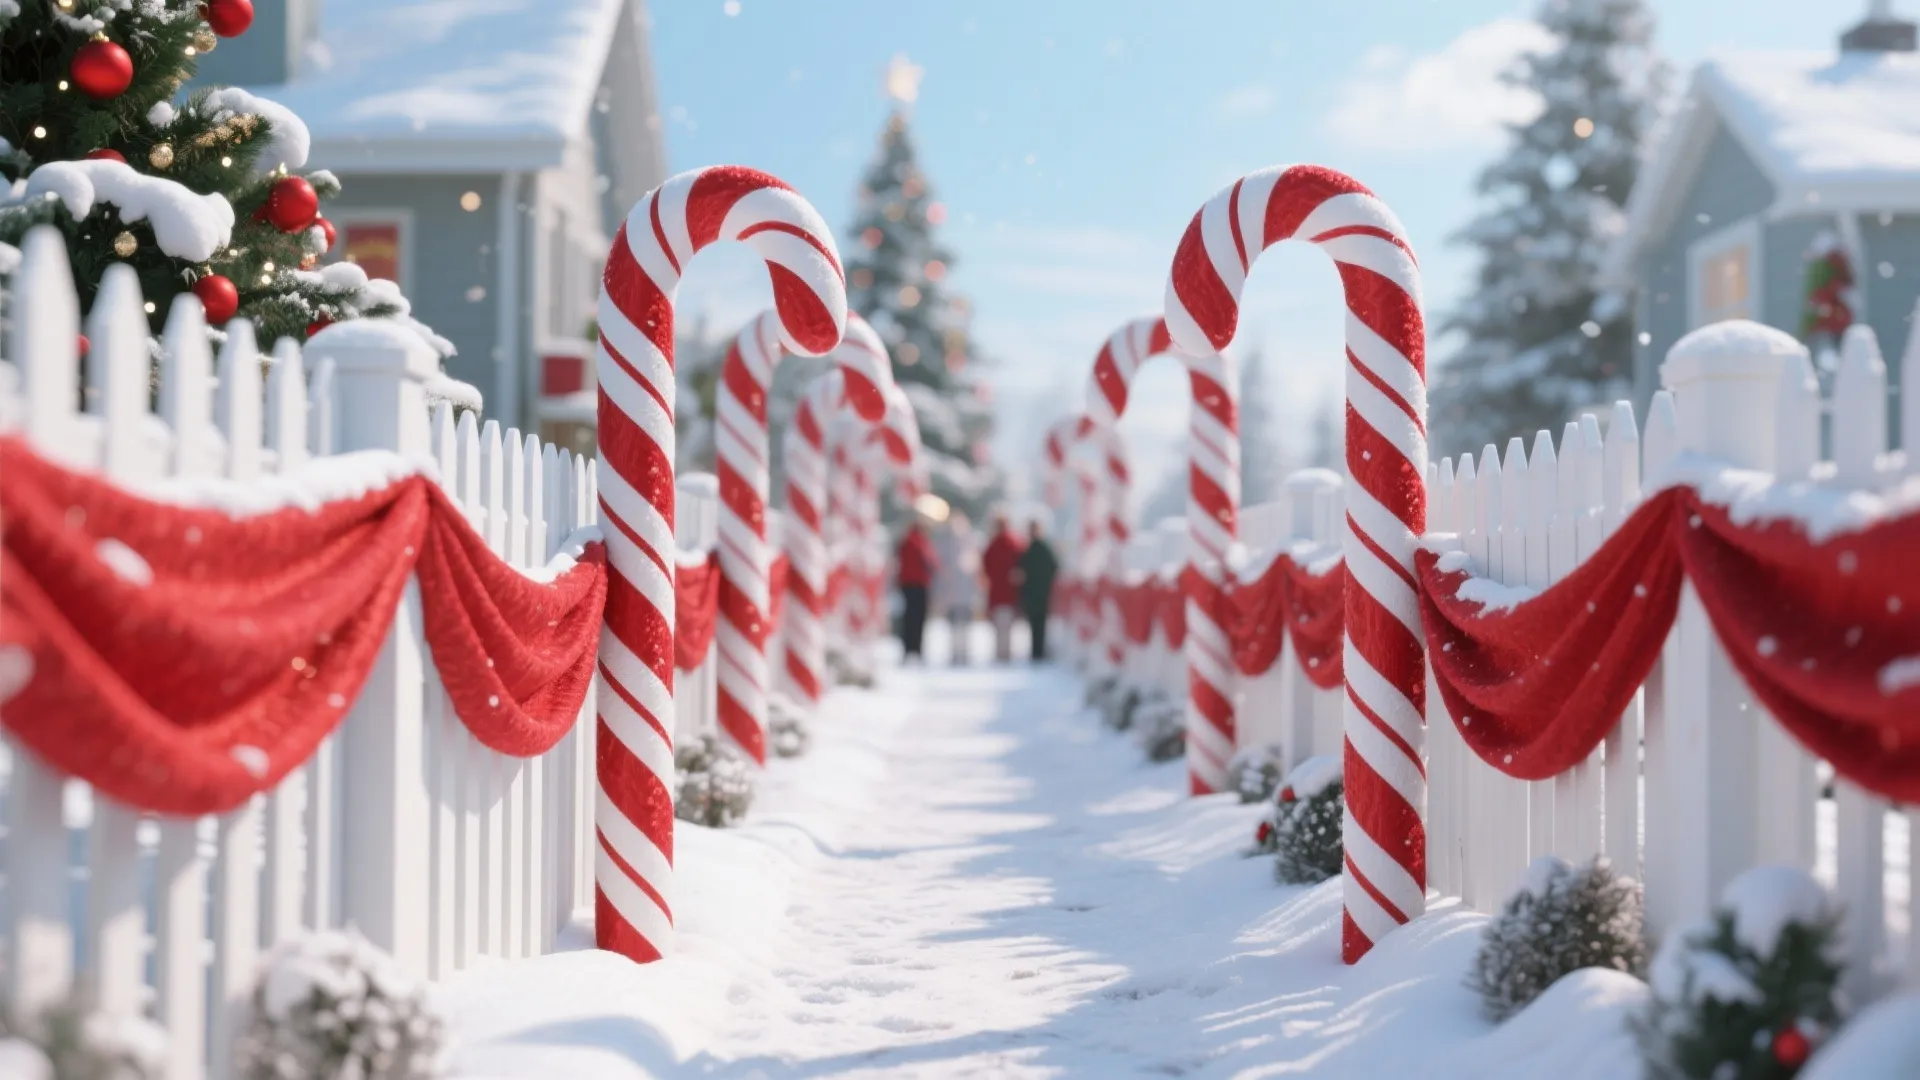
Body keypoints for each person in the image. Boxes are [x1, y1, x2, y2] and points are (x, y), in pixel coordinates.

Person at [932, 512, 981, 665]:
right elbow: (940, 570)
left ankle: (962, 652)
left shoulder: (969, 543)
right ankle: (957, 652)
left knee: (963, 626)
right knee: (955, 626)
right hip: (954, 594)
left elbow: (974, 569)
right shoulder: (945, 544)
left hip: (963, 595)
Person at [980, 514, 1026, 663]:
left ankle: (1003, 654)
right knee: (1005, 627)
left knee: (1002, 627)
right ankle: (1004, 654)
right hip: (1007, 592)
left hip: (1001, 592)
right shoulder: (1013, 541)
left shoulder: (998, 543)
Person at [1016, 520, 1059, 662]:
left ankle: (1038, 651)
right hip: (1039, 593)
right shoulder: (1038, 549)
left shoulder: (1034, 549)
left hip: (1037, 593)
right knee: (1037, 625)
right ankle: (1037, 651)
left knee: (1038, 625)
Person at [895, 518, 938, 662]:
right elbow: (930, 562)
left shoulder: (906, 541)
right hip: (918, 584)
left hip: (908, 584)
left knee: (909, 617)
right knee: (918, 618)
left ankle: (910, 648)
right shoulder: (919, 542)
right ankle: (915, 648)